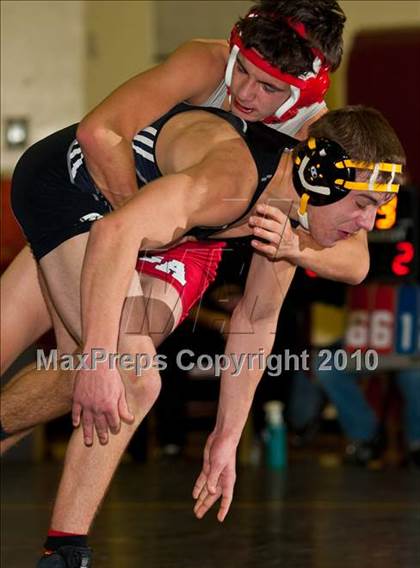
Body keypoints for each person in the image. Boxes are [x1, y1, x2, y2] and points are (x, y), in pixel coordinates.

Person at [8, 99, 405, 567]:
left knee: (113, 377)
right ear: (318, 175)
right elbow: (115, 233)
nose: (368, 223)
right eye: (362, 205)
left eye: (378, 207)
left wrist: (226, 437)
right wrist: (99, 359)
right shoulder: (235, 176)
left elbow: (259, 320)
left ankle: (65, 553)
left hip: (168, 234)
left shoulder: (292, 207)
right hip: (82, 199)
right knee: (115, 370)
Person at [2, 0, 369, 379]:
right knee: (96, 367)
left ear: (303, 96)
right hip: (112, 200)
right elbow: (100, 132)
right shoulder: (208, 62)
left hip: (190, 237)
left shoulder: (313, 137)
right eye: (241, 68)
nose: (244, 92)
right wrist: (138, 226)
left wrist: (295, 246)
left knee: (109, 371)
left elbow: (356, 260)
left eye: (267, 87)